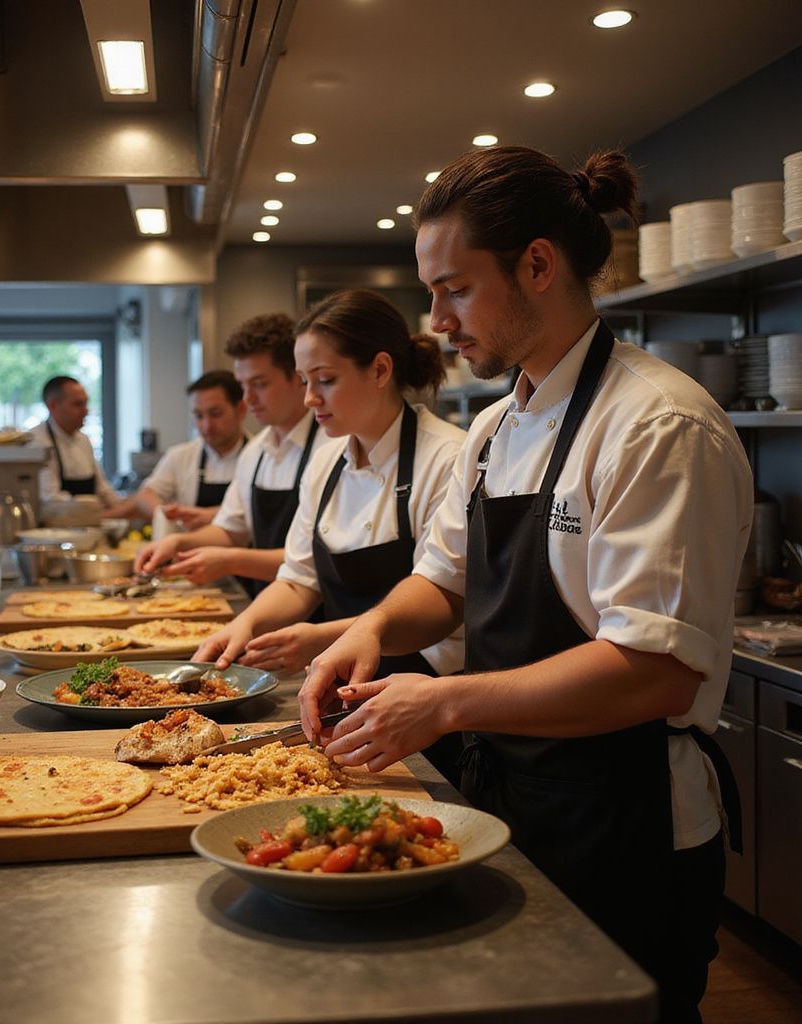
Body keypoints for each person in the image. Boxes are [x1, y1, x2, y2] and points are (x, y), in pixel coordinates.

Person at [298, 147, 754, 1023]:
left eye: (454, 289)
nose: (433, 321)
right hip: (510, 800)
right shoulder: (497, 427)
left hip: (625, 825)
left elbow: (655, 670)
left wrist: (445, 703)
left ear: (537, 265)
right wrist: (369, 630)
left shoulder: (657, 426)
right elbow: (443, 581)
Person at [193, 288, 466, 683]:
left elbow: (440, 604)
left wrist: (322, 637)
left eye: (325, 380)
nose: (308, 399)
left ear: (379, 370)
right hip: (340, 676)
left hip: (424, 682)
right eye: (304, 381)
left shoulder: (446, 458)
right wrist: (247, 624)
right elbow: (300, 580)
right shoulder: (326, 460)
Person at [136, 313, 331, 588]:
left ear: (298, 377)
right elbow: (231, 530)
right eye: (243, 386)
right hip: (266, 602)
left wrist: (230, 560)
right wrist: (179, 541)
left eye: (260, 384)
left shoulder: (332, 447)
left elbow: (316, 560)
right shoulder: (256, 452)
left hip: (321, 618)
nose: (248, 398)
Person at [112, 370, 248, 530]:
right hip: (188, 549)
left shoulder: (260, 455)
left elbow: (256, 509)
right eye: (198, 416)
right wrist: (168, 514)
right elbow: (145, 496)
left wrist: (209, 516)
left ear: (240, 410)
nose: (206, 426)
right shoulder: (181, 455)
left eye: (216, 414)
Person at [31, 375, 127, 516]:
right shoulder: (37, 442)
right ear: (52, 406)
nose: (86, 411)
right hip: (56, 528)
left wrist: (123, 505)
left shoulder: (84, 440)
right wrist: (92, 506)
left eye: (86, 403)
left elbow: (103, 489)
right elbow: (51, 498)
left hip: (89, 523)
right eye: (78, 404)